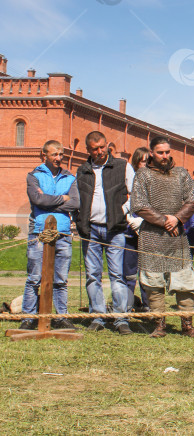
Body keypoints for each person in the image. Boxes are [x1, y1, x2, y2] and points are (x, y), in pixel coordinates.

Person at [130, 136, 194, 338]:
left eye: (167, 152)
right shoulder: (143, 175)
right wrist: (164, 221)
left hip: (177, 236)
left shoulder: (181, 173)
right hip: (152, 235)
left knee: (185, 281)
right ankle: (159, 325)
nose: (165, 156)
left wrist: (177, 218)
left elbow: (192, 200)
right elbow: (138, 205)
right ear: (152, 152)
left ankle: (187, 325)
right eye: (160, 152)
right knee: (153, 283)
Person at [75, 131, 135, 334]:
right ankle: (97, 317)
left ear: (107, 145)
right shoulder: (82, 170)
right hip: (90, 229)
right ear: (88, 150)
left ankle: (120, 319)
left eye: (102, 147)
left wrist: (123, 211)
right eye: (95, 148)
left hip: (114, 229)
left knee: (117, 275)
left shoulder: (122, 166)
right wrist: (79, 220)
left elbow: (136, 194)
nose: (100, 151)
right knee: (93, 275)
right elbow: (77, 199)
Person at [19, 140, 79, 330]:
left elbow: (76, 203)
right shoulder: (34, 176)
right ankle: (28, 317)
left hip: (63, 233)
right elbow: (37, 199)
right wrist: (63, 198)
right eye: (54, 154)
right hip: (39, 232)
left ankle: (61, 317)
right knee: (34, 278)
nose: (58, 158)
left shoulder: (70, 177)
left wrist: (48, 202)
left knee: (60, 279)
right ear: (44, 155)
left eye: (61, 154)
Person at [123, 147, 150, 310]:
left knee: (147, 272)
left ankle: (148, 306)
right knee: (129, 272)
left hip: (146, 231)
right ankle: (127, 304)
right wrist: (127, 217)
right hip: (129, 232)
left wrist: (143, 221)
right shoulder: (129, 178)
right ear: (137, 162)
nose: (147, 165)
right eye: (144, 161)